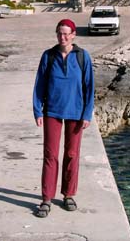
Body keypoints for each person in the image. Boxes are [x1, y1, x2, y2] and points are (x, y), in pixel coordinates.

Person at [32, 18, 94, 218]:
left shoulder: (83, 57)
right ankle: (46, 198)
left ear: (74, 34)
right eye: (60, 33)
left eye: (67, 33)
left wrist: (87, 113)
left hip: (76, 112)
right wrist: (37, 110)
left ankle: (68, 194)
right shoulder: (48, 56)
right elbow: (39, 84)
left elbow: (89, 88)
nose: (63, 37)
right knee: (50, 155)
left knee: (72, 154)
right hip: (52, 111)